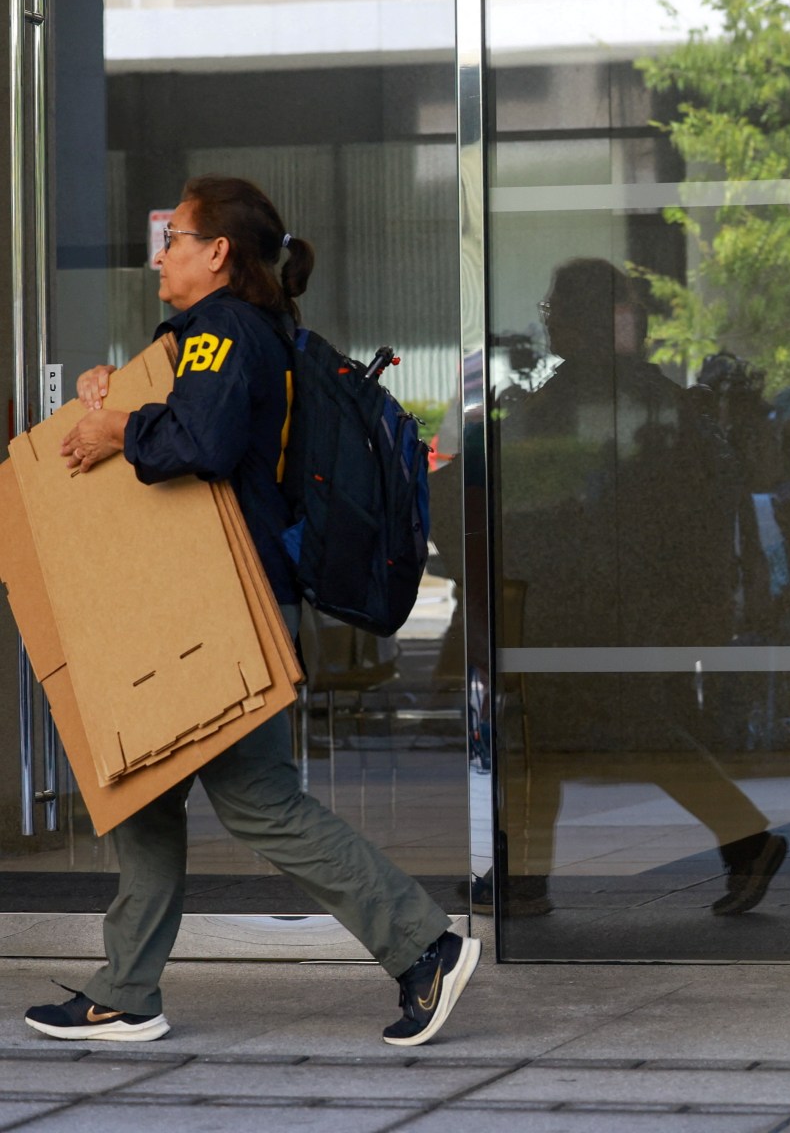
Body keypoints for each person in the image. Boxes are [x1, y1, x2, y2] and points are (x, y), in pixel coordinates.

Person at [23, 176, 478, 1046]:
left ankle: (425, 947)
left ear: (218, 252)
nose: (161, 257)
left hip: (225, 610)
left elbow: (202, 442)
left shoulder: (224, 330)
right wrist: (115, 394)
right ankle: (126, 990)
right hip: (215, 604)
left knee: (259, 803)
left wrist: (118, 430)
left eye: (175, 240)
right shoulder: (239, 332)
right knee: (147, 791)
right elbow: (199, 423)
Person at [497, 259, 787, 921]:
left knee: (560, 735)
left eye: (555, 309)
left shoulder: (588, 395)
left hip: (594, 597)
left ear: (584, 319)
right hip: (620, 596)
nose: (549, 322)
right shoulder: (649, 391)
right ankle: (524, 877)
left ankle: (525, 879)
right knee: (583, 733)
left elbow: (550, 493)